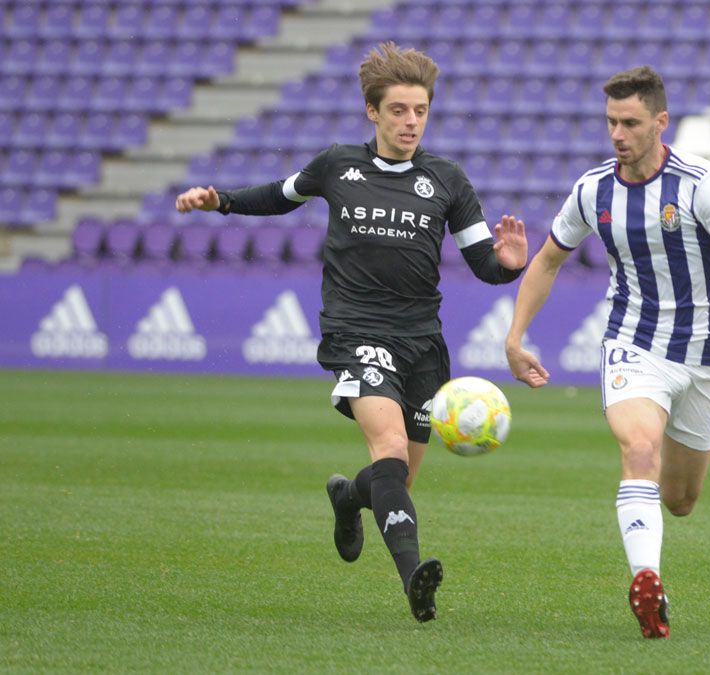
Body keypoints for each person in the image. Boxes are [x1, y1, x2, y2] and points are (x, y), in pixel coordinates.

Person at [174, 42, 528, 622]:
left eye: (420, 110)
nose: (410, 121)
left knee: (397, 479)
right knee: (388, 448)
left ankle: (349, 496)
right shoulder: (338, 165)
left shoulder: (447, 180)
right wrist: (222, 201)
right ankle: (415, 578)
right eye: (398, 110)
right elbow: (281, 197)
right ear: (373, 111)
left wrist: (509, 264)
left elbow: (485, 265)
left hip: (422, 343)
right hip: (356, 330)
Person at [503, 66, 710, 639]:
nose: (617, 134)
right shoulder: (592, 189)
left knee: (679, 500)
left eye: (630, 122)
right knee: (638, 449)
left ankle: (650, 543)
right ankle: (648, 584)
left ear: (660, 122)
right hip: (634, 342)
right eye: (611, 122)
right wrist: (515, 336)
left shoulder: (699, 184)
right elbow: (549, 260)